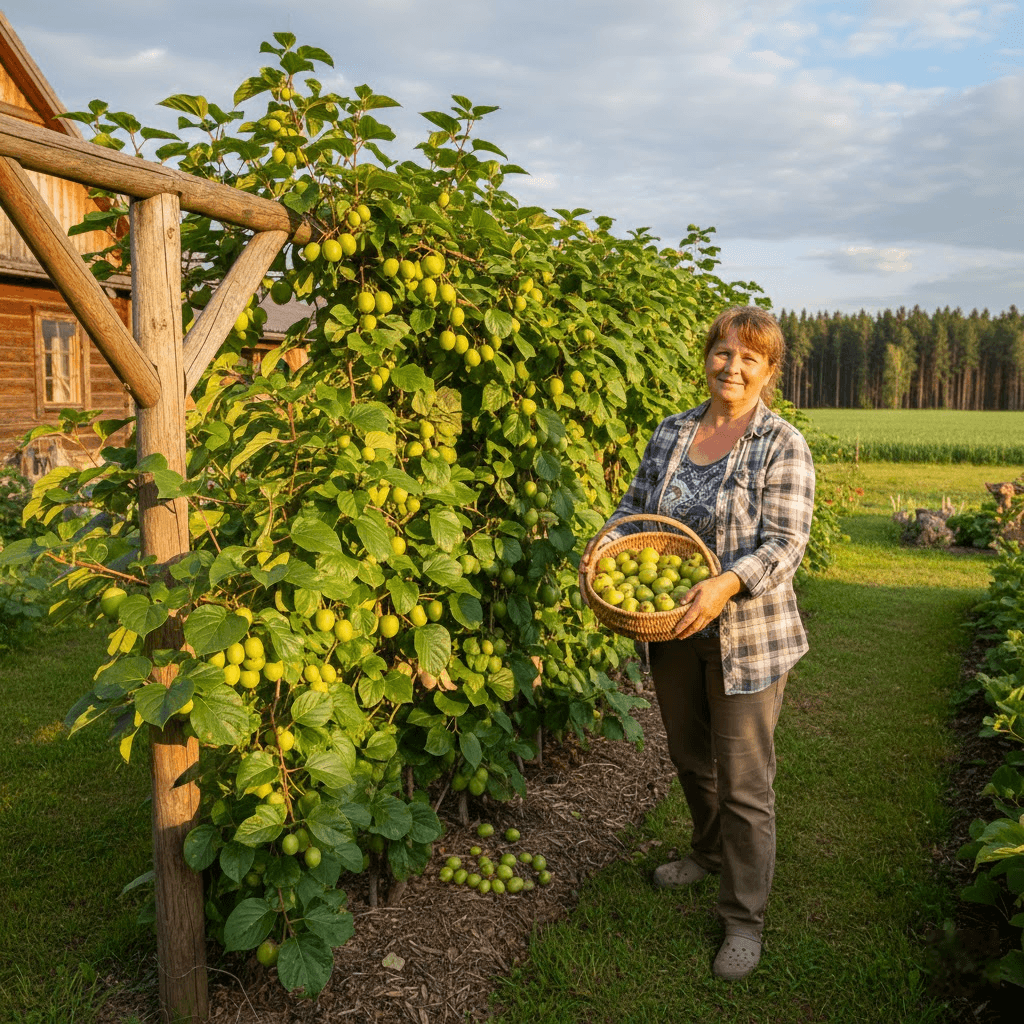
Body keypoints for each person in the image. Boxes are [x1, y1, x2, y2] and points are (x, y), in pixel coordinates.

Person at [580, 305, 815, 981]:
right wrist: (606, 541)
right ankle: (708, 853)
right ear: (707, 357)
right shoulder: (673, 431)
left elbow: (786, 544)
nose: (732, 367)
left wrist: (725, 584)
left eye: (749, 358)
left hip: (747, 634)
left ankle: (743, 917)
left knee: (744, 782)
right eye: (723, 352)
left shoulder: (781, 443)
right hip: (673, 627)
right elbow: (635, 508)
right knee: (688, 757)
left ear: (769, 371)